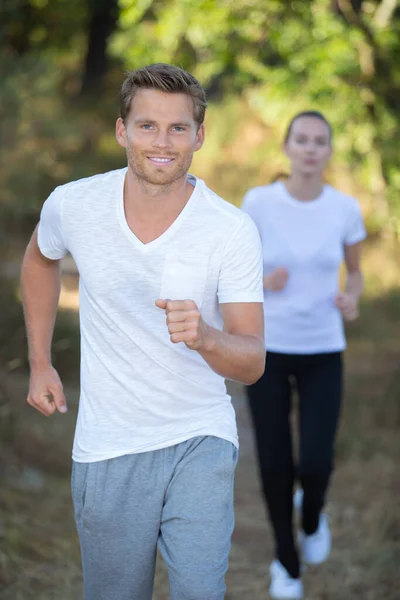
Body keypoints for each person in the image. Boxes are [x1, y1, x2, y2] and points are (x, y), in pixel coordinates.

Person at [20, 63, 265, 600]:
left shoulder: (230, 230)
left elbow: (251, 361)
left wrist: (206, 337)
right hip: (109, 445)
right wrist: (40, 361)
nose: (162, 141)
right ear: (121, 130)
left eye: (178, 127)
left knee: (201, 591)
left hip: (199, 438)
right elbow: (40, 260)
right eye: (147, 125)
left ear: (199, 136)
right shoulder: (75, 204)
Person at [241, 110, 366, 600]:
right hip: (266, 349)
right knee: (274, 463)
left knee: (315, 463)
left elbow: (354, 274)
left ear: (329, 151)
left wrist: (352, 296)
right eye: (302, 140)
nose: (311, 148)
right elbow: (233, 269)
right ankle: (286, 562)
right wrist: (260, 281)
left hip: (322, 349)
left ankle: (312, 515)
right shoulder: (258, 203)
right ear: (287, 147)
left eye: (320, 141)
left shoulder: (344, 209)